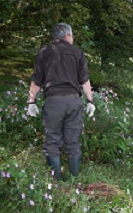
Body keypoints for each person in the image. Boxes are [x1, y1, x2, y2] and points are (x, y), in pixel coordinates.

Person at [27, 23, 95, 180]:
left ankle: (55, 183)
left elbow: (36, 80)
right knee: (73, 142)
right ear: (68, 36)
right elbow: (84, 80)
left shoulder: (43, 53)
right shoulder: (78, 53)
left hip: (53, 102)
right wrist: (90, 100)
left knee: (52, 142)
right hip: (73, 101)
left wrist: (31, 102)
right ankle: (74, 180)